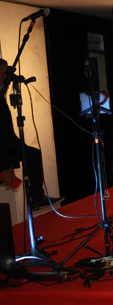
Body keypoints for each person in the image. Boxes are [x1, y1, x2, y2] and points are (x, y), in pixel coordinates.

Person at [0, 58, 60, 209]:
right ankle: (37, 197)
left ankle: (37, 197)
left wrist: (8, 79)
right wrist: (5, 165)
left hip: (9, 143)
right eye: (5, 71)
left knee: (33, 154)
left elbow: (3, 89)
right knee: (32, 155)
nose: (7, 75)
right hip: (5, 147)